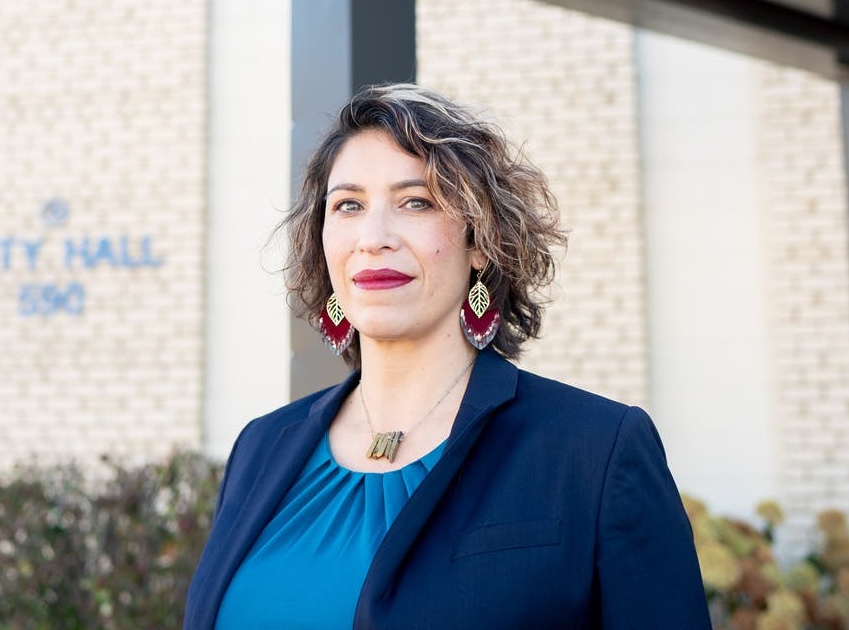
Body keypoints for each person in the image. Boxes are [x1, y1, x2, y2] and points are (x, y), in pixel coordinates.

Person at [185, 84, 709, 629]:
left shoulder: (594, 451)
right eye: (348, 205)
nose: (374, 237)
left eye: (417, 201)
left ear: (479, 240)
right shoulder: (261, 446)